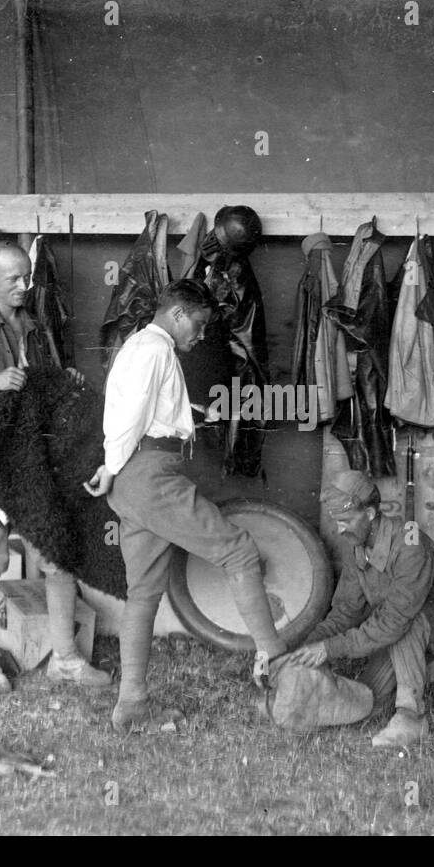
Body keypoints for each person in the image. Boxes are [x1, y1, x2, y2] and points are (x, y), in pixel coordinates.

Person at [83, 278, 288, 733]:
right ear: (177, 314)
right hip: (149, 477)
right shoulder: (154, 350)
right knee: (240, 551)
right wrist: (111, 467)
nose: (199, 335)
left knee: (143, 593)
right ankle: (279, 665)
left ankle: (131, 705)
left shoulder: (143, 348)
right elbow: (128, 418)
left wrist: (190, 416)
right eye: (197, 325)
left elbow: (142, 413)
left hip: (138, 479)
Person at [0, 241, 110, 692]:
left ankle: (65, 659)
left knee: (56, 554)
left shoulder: (34, 327)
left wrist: (65, 383)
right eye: (13, 278)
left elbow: (45, 391)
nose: (24, 286)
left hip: (33, 460)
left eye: (26, 277)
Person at [287, 470, 434, 748]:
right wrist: (307, 647)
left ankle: (412, 718)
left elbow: (396, 621)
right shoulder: (358, 547)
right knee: (367, 703)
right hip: (405, 629)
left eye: (345, 521)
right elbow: (344, 612)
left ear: (370, 514)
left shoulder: (410, 544)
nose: (339, 530)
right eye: (337, 521)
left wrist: (330, 649)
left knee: (408, 620)